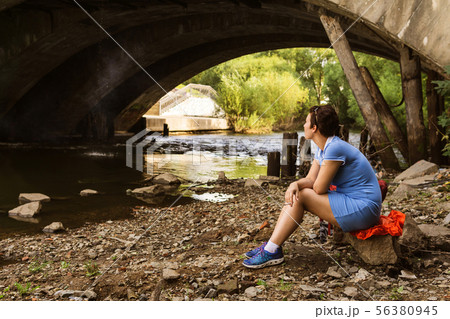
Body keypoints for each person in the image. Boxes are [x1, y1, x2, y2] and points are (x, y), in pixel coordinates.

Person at [243, 105, 382, 269]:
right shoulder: (323, 148)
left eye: (306, 121)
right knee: (299, 192)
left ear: (314, 128)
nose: (303, 125)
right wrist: (294, 183)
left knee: (302, 195)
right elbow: (310, 179)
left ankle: (272, 249)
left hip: (363, 208)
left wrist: (299, 187)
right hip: (354, 203)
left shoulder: (335, 148)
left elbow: (318, 189)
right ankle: (271, 246)